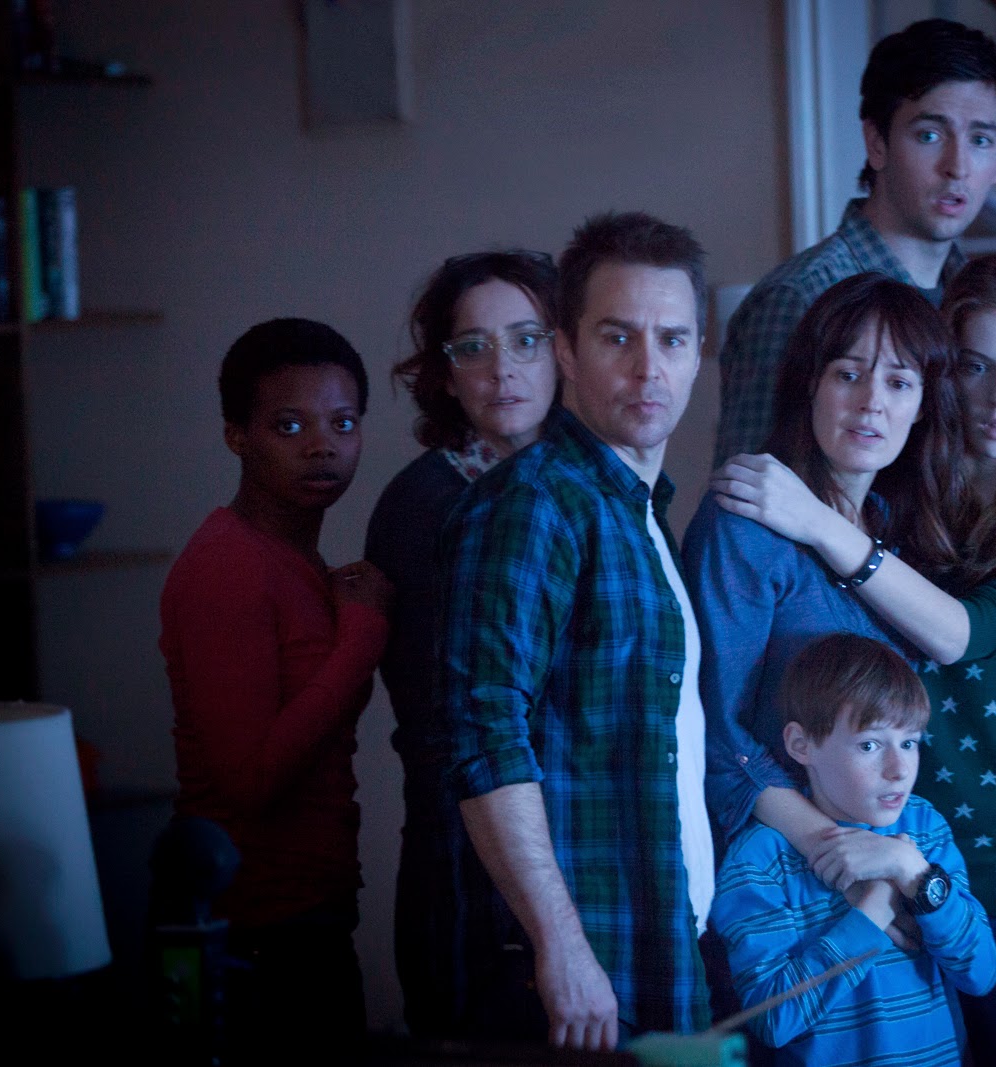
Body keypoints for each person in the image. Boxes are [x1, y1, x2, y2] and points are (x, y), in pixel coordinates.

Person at [712, 252, 996, 1066]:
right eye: (976, 366)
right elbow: (735, 712)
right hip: (869, 860)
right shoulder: (897, 499)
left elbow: (972, 631)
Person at [440, 212, 714, 1050]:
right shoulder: (535, 503)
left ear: (698, 354)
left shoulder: (642, 509)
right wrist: (558, 944)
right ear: (565, 350)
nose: (648, 367)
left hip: (658, 939)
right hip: (580, 965)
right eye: (617, 336)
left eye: (672, 339)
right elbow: (485, 732)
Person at [159, 317, 394, 1062]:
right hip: (255, 935)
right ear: (237, 435)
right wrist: (362, 637)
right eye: (289, 425)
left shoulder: (298, 564)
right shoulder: (229, 567)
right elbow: (251, 780)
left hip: (309, 919)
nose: (322, 445)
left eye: (343, 422)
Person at [684, 271, 967, 853]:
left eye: (899, 382)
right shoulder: (744, 523)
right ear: (811, 382)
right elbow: (715, 731)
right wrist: (833, 849)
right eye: (848, 374)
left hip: (890, 844)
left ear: (922, 406)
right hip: (775, 861)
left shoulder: (903, 528)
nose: (871, 403)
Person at [364, 250, 559, 1039]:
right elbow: (445, 731)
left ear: (563, 349)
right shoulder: (425, 505)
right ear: (445, 374)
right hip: (467, 873)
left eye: (526, 340)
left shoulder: (585, 486)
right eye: (473, 347)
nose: (502, 368)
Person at [714, 17, 996, 464]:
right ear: (877, 143)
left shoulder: (976, 298)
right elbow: (746, 489)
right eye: (929, 135)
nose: (957, 166)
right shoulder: (801, 295)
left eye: (980, 139)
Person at [710, 633, 996, 1066]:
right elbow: (772, 1020)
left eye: (909, 742)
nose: (899, 769)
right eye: (869, 744)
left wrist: (912, 872)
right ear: (801, 745)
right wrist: (874, 910)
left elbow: (982, 973)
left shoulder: (924, 829)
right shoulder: (759, 861)